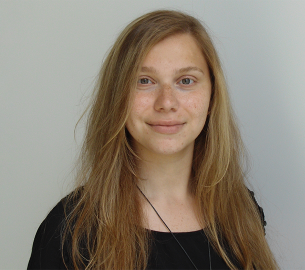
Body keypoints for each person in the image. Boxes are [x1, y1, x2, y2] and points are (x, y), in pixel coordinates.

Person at [28, 10, 278, 270]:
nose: (167, 102)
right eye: (144, 81)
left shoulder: (240, 210)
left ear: (212, 96)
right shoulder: (69, 230)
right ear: (118, 97)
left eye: (186, 80)